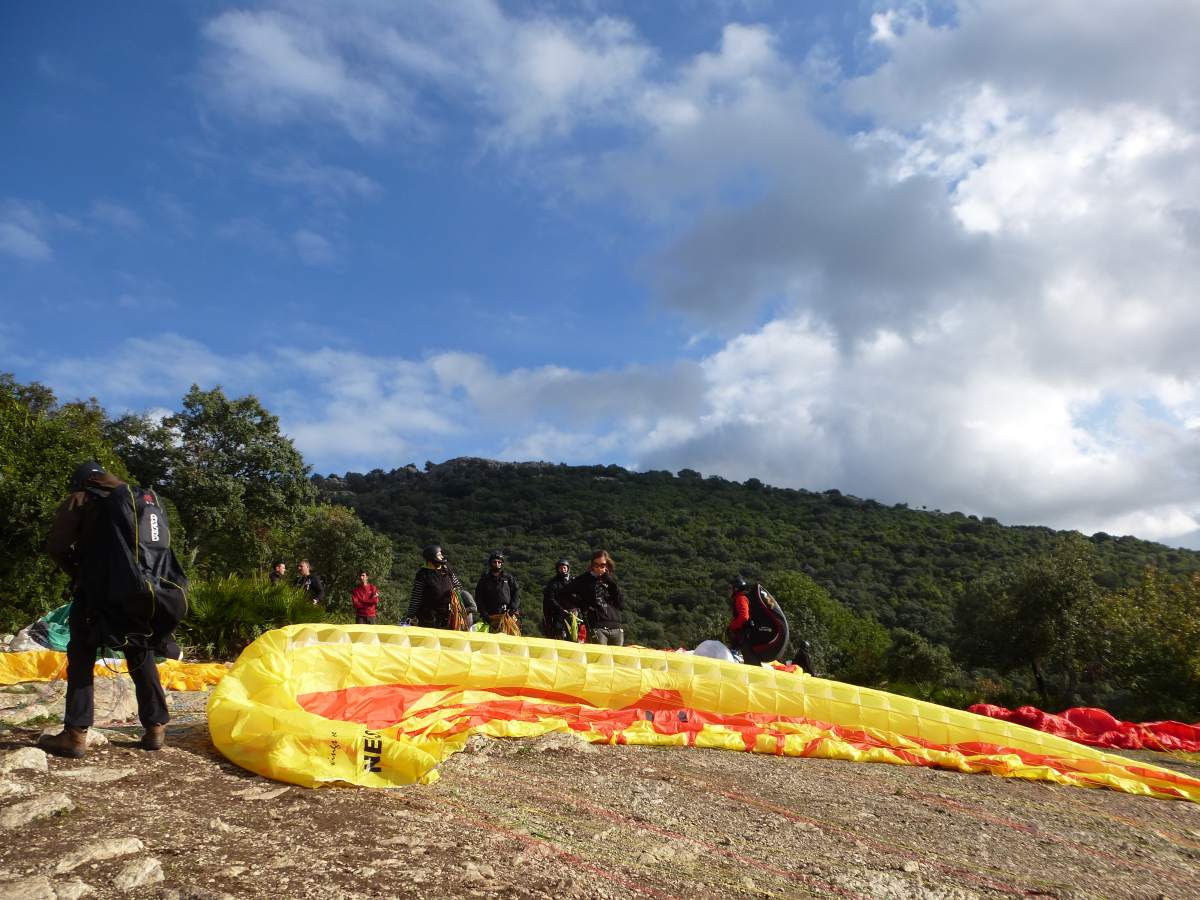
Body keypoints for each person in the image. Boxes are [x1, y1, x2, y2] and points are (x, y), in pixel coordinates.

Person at [39, 461, 171, 758]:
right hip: (139, 592)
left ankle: (75, 734)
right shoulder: (138, 499)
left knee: (82, 653)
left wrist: (77, 572)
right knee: (140, 651)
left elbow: (56, 546)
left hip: (96, 591)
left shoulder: (82, 499)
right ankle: (155, 727)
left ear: (82, 481)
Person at [561, 550, 624, 646]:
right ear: (592, 565)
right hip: (596, 627)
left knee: (617, 656)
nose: (599, 568)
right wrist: (582, 605)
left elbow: (620, 604)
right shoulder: (583, 580)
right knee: (600, 655)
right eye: (596, 565)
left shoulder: (611, 579)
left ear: (607, 565)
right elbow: (564, 593)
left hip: (616, 627)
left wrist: (611, 583)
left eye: (602, 565)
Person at [727, 575, 792, 667]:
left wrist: (731, 626)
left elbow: (744, 617)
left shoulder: (741, 598)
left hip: (754, 636)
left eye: (730, 588)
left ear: (736, 589)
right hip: (762, 635)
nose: (728, 591)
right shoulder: (744, 598)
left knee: (744, 643)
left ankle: (750, 667)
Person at [405, 544, 470, 629]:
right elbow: (416, 596)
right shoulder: (423, 574)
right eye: (439, 555)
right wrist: (410, 615)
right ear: (432, 557)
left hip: (447, 616)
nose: (442, 557)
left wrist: (455, 593)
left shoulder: (447, 570)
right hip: (428, 617)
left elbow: (458, 586)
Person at [475, 550, 520, 632]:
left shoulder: (508, 578)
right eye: (494, 562)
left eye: (499, 562)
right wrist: (484, 614)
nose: (497, 564)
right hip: (489, 616)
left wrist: (512, 609)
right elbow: (479, 598)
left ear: (502, 563)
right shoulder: (484, 579)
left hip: (507, 615)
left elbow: (516, 594)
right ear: (490, 563)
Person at [542, 558, 582, 641]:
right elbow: (550, 599)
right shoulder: (553, 583)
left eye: (564, 568)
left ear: (568, 568)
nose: (563, 570)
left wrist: (577, 608)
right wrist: (561, 610)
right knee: (559, 634)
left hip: (574, 613)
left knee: (577, 635)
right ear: (557, 569)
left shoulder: (574, 580)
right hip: (559, 614)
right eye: (560, 568)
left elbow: (580, 595)